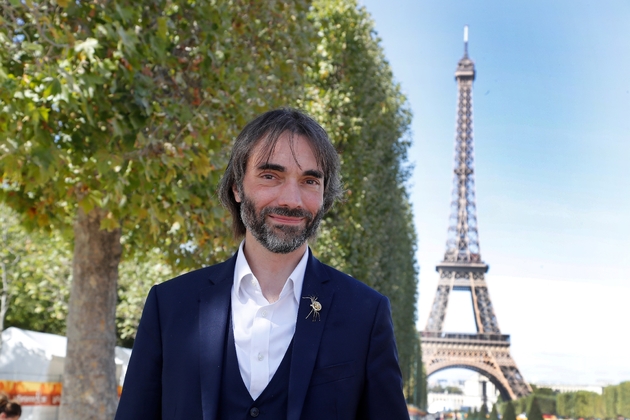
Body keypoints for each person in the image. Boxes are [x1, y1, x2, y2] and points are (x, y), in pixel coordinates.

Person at [115, 108, 409, 419]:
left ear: (325, 195)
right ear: (237, 186)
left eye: (310, 181)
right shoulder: (169, 306)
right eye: (271, 176)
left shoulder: (365, 313)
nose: (291, 200)